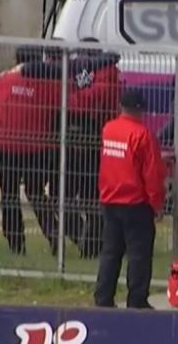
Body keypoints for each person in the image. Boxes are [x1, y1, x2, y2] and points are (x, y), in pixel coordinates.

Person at [0, 47, 63, 255]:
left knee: (9, 197)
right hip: (38, 149)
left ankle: (16, 245)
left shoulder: (5, 81)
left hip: (9, 148)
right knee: (36, 194)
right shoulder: (51, 86)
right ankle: (54, 234)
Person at [94, 90, 167, 309]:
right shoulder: (143, 135)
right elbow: (151, 174)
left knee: (110, 252)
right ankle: (136, 300)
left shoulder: (109, 129)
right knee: (139, 255)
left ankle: (103, 298)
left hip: (109, 198)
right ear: (140, 109)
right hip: (136, 203)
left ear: (120, 105)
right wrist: (157, 204)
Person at [64, 39, 122, 259]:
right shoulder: (73, 71)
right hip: (75, 138)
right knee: (67, 196)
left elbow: (96, 98)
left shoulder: (107, 74)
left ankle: (93, 245)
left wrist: (70, 98)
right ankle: (85, 240)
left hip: (96, 138)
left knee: (91, 196)